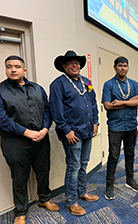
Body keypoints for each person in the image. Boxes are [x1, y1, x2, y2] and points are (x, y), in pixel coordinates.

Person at [0, 55, 59, 224]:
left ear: (24, 70)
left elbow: (47, 110)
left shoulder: (37, 89)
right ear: (6, 69)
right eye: (9, 66)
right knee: (19, 177)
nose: (13, 69)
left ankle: (44, 198)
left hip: (41, 138)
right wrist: (27, 132)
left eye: (17, 66)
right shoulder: (1, 90)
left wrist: (45, 129)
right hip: (15, 142)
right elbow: (2, 119)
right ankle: (20, 211)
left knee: (43, 171)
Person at [50, 50, 99, 216]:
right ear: (64, 66)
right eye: (70, 63)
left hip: (87, 130)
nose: (75, 65)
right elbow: (56, 111)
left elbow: (93, 103)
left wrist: (96, 122)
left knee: (84, 164)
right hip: (72, 133)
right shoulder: (58, 84)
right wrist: (66, 130)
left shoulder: (86, 81)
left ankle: (82, 192)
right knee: (74, 166)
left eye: (77, 63)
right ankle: (71, 201)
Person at [102, 56, 138, 200]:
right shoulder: (109, 85)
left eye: (125, 65)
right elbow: (107, 105)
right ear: (115, 67)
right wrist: (130, 102)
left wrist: (120, 102)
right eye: (120, 65)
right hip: (115, 126)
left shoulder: (134, 83)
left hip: (131, 125)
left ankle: (130, 180)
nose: (123, 68)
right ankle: (109, 185)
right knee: (113, 155)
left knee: (130, 153)